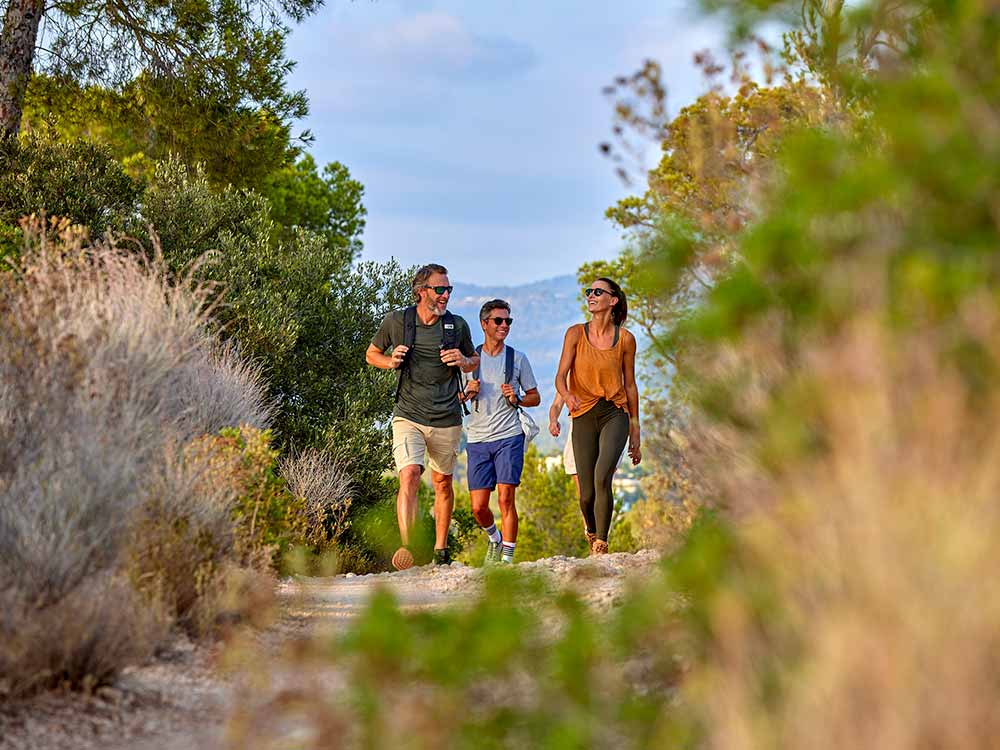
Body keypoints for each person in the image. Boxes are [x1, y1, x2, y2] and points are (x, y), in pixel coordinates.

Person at [365, 264, 479, 570]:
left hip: (447, 417)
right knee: (410, 475)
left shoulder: (457, 326)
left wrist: (463, 359)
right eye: (440, 289)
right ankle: (408, 546)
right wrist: (391, 362)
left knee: (443, 483)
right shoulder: (398, 322)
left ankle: (441, 550)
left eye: (448, 290)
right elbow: (371, 353)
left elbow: (474, 361)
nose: (445, 295)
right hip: (408, 414)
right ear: (421, 291)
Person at [554, 277, 641, 555]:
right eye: (589, 291)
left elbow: (630, 385)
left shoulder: (625, 339)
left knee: (603, 475)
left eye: (598, 292)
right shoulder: (575, 334)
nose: (591, 295)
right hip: (583, 413)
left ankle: (602, 542)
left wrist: (635, 431)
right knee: (586, 494)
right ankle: (591, 530)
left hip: (615, 413)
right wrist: (567, 397)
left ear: (612, 300)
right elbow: (560, 376)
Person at [462, 300, 540, 564]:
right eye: (498, 321)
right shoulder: (469, 360)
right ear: (484, 324)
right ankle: (494, 538)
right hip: (477, 439)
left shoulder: (517, 358)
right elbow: (454, 398)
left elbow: (535, 397)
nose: (504, 325)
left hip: (509, 436)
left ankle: (507, 559)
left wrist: (517, 398)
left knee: (507, 498)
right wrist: (466, 394)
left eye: (508, 321)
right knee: (478, 507)